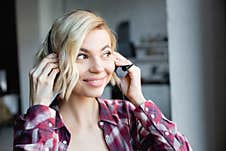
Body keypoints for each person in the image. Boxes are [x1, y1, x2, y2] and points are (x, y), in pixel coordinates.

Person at [13, 9, 192, 151]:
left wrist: (139, 100)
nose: (98, 67)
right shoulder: (37, 126)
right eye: (82, 56)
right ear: (53, 62)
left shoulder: (126, 116)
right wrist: (39, 110)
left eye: (105, 53)